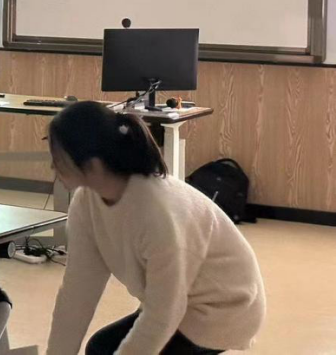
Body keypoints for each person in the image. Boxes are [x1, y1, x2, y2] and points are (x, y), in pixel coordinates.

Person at [45, 101, 266, 355]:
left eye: (59, 158)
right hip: (180, 301)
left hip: (224, 310)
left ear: (93, 165)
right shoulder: (86, 203)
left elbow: (163, 314)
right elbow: (77, 295)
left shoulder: (157, 212)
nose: (53, 167)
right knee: (100, 348)